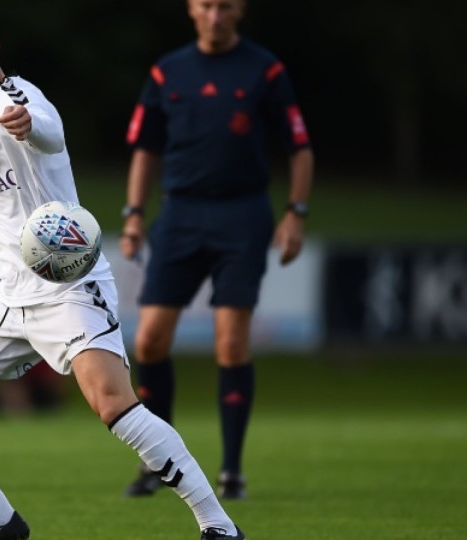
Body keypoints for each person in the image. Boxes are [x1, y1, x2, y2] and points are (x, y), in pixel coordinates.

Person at [0, 2, 245, 539]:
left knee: (114, 405)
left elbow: (51, 131)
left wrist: (30, 125)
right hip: (12, 298)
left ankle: (219, 526)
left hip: (69, 287)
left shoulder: (20, 98)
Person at [120, 0, 314, 501]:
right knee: (149, 342)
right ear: (191, 8)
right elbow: (146, 149)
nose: (214, 15)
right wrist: (134, 214)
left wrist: (296, 213)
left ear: (240, 10)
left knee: (230, 344)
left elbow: (299, 148)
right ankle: (157, 463)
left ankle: (231, 471)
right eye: (206, 5)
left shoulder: (265, 70)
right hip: (179, 214)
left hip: (242, 216)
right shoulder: (167, 71)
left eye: (224, 6)